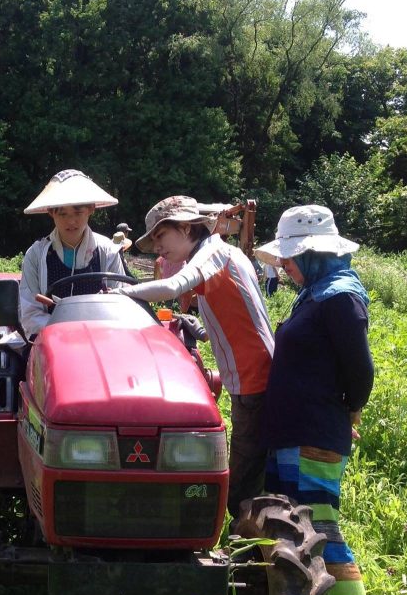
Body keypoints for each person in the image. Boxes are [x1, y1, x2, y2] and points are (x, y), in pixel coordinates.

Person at [254, 204, 380, 595]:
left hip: (314, 433)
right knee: (295, 538)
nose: (283, 266)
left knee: (322, 535)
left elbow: (359, 371)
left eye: (289, 258)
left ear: (312, 254)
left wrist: (351, 411)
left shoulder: (341, 296)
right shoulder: (315, 292)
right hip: (293, 432)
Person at [111, 195, 274, 517]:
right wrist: (199, 330)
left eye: (161, 236)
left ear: (186, 227)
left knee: (243, 472)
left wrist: (123, 291)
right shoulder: (220, 254)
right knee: (251, 461)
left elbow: (173, 287)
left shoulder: (214, 251)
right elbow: (233, 317)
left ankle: (246, 542)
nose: (157, 247)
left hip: (253, 375)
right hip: (248, 373)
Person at [19, 169, 126, 338]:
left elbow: (120, 304)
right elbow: (30, 313)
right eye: (62, 214)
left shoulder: (107, 251)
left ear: (91, 209)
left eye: (78, 212)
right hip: (51, 340)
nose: (71, 221)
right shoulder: (36, 255)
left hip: (99, 338)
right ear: (51, 212)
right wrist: (66, 331)